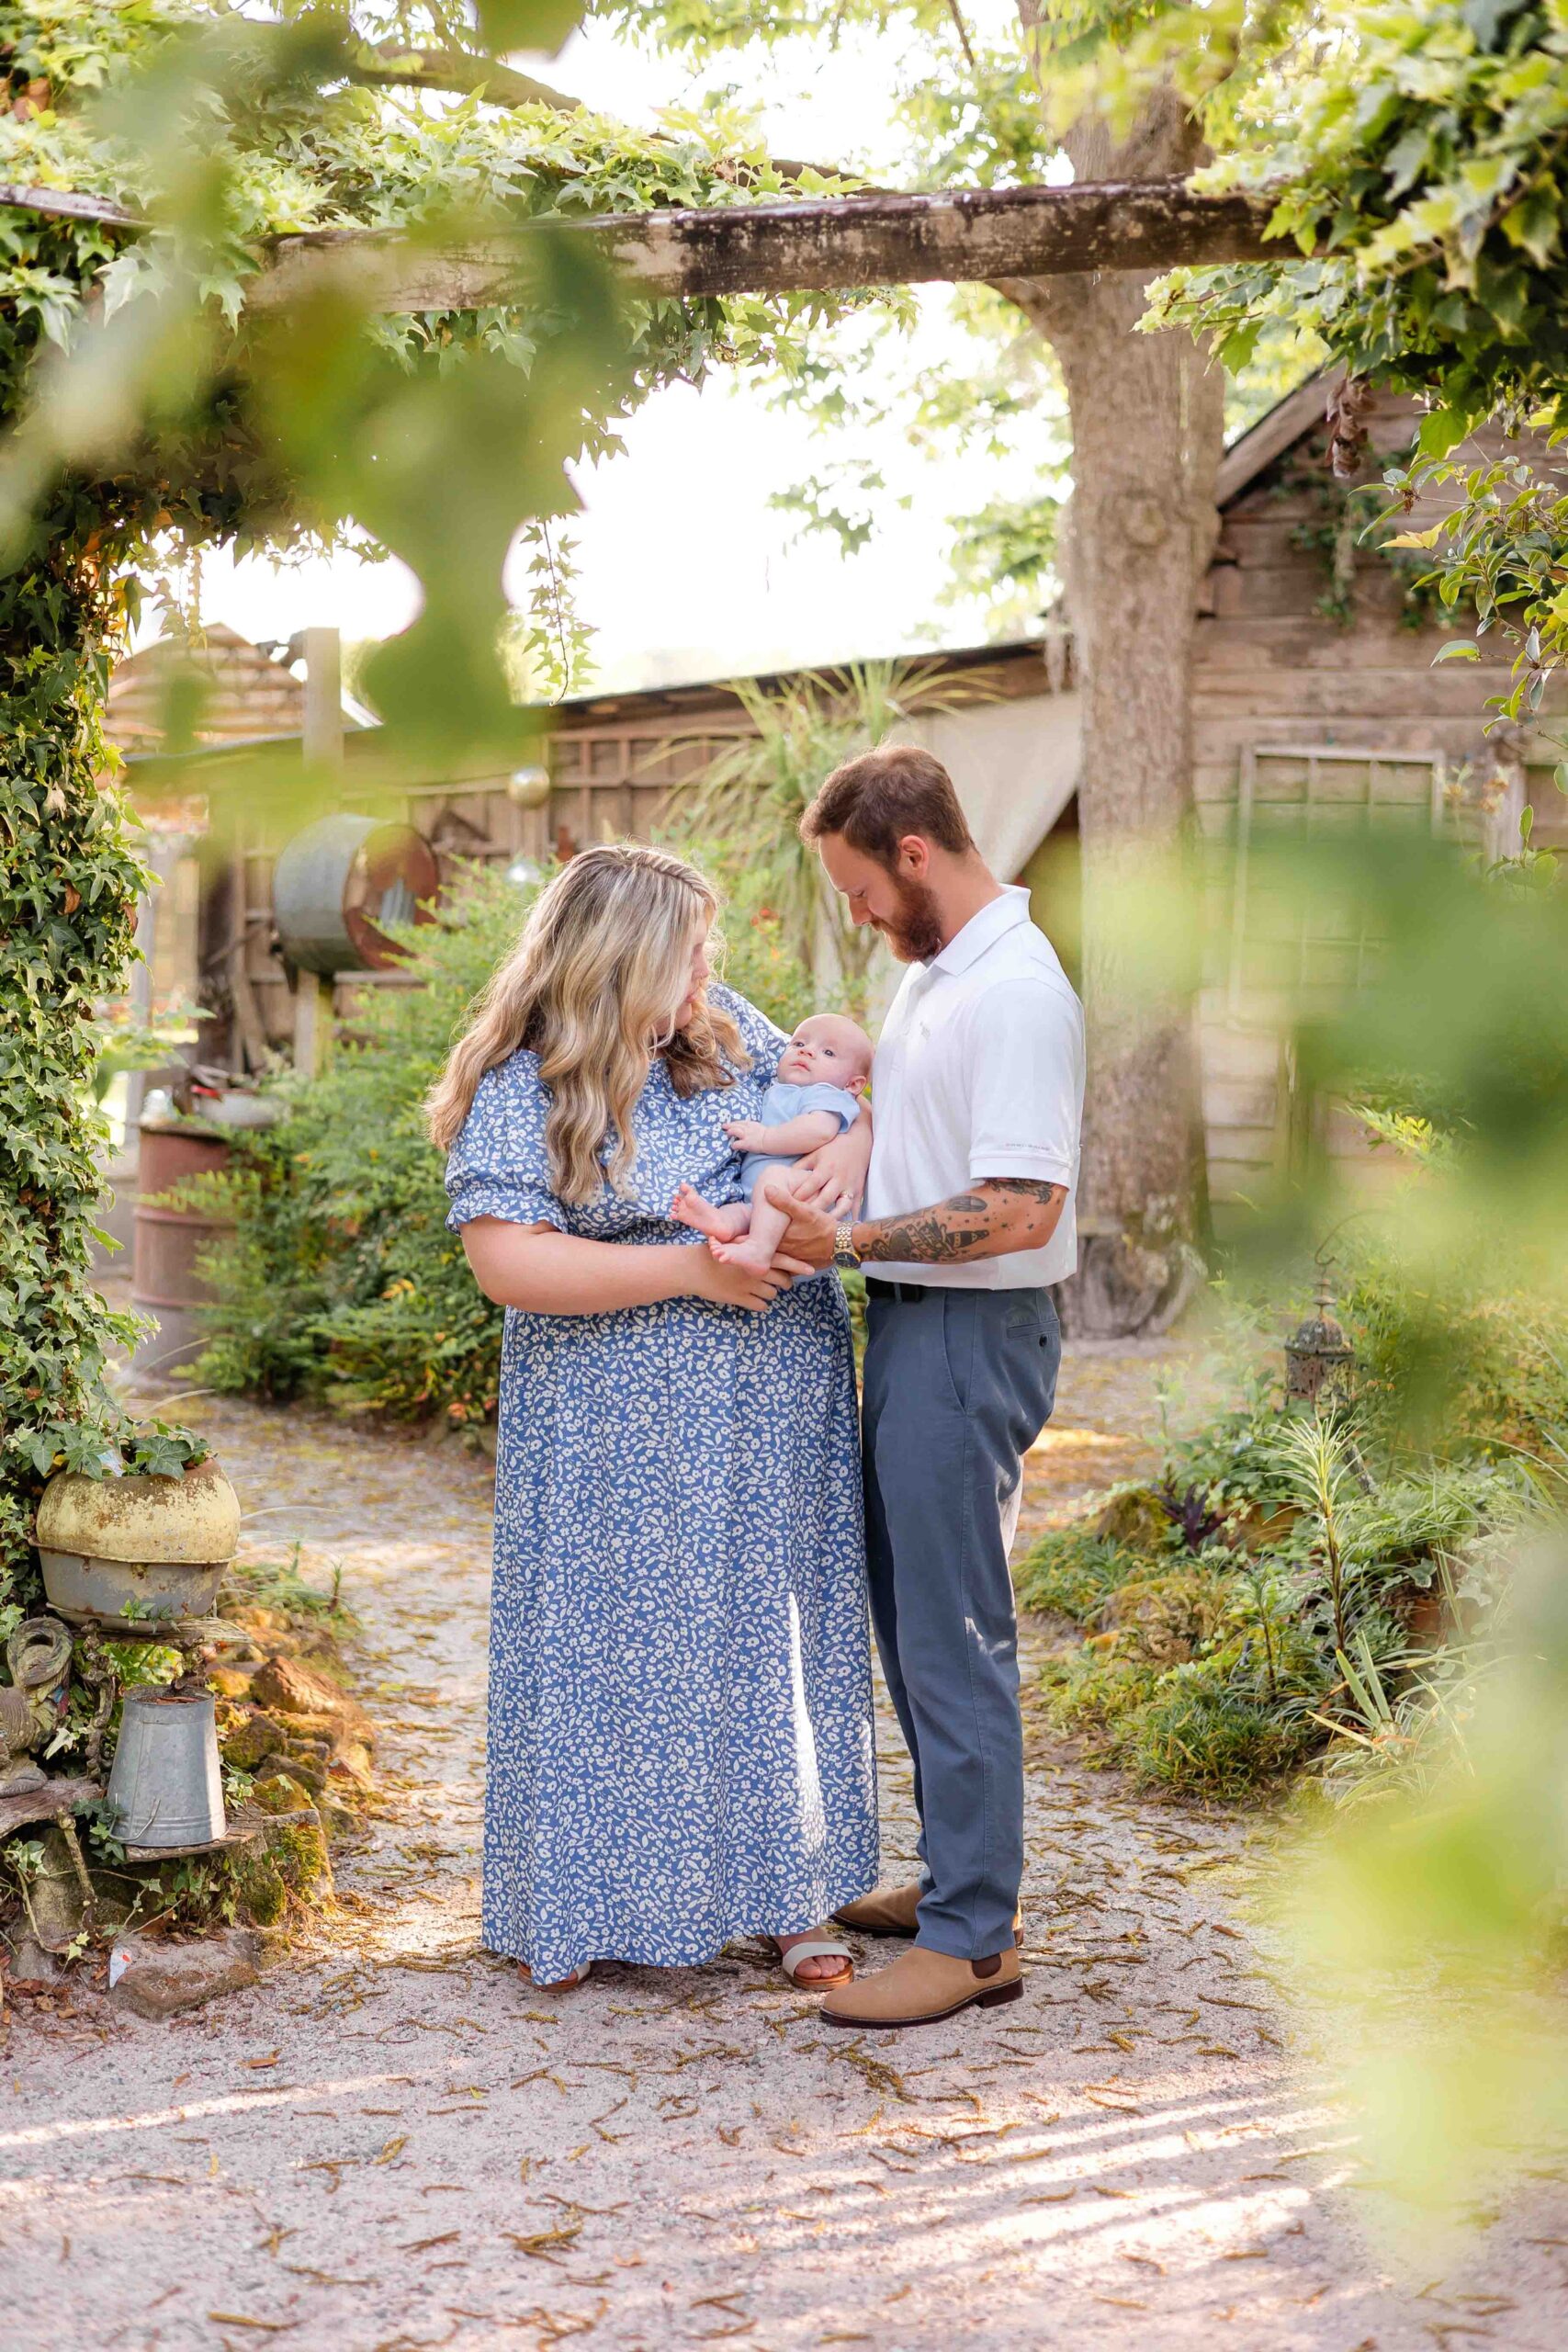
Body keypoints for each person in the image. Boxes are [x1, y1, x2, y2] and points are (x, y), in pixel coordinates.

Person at [429, 844, 878, 1993]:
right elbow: (506, 1261)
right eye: (687, 953)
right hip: (609, 1425)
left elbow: (841, 1109)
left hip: (768, 1406)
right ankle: (581, 1901)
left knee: (762, 1641)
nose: (705, 973)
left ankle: (789, 1896)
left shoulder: (723, 1031)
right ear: (621, 959)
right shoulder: (525, 1080)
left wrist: (848, 1153)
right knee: (608, 1645)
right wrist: (691, 1272)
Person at [783, 744, 1086, 2031]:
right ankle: (961, 1879)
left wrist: (846, 1246)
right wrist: (855, 1100)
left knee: (955, 1632)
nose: (856, 915)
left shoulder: (1012, 991)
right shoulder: (937, 971)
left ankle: (972, 1942)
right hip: (915, 1329)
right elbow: (925, 1130)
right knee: (913, 1618)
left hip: (971, 1335)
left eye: (858, 891)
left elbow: (1018, 1209)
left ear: (914, 855)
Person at [671, 1012, 873, 1270]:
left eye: (828, 1053)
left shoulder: (829, 1095)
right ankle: (723, 1223)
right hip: (769, 1204)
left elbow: (818, 1130)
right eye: (799, 1044)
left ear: (853, 1084)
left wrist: (765, 1138)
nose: (807, 1052)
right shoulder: (783, 1089)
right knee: (745, 1209)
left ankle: (759, 1250)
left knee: (772, 1181)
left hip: (807, 1198)